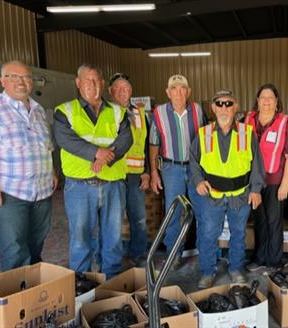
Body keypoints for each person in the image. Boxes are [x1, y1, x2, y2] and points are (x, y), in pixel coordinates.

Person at [54, 63, 132, 278]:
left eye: (96, 80)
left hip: (112, 184)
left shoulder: (117, 111)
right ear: (78, 83)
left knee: (113, 236)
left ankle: (111, 279)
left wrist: (107, 158)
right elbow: (65, 139)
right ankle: (82, 282)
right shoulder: (65, 111)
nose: (92, 84)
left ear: (103, 84)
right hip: (79, 186)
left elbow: (126, 139)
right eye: (87, 80)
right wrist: (96, 152)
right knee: (80, 238)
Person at [190, 89, 265, 289]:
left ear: (236, 107)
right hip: (212, 196)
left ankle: (235, 269)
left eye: (228, 103)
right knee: (207, 234)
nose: (224, 108)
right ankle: (207, 272)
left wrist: (256, 189)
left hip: (240, 196)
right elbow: (194, 161)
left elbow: (257, 164)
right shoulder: (203, 133)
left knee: (238, 234)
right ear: (213, 108)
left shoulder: (247, 133)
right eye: (220, 104)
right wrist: (198, 180)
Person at [0, 60, 58, 271]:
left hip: (41, 192)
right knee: (14, 251)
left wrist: (52, 171)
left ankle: (33, 297)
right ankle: (16, 299)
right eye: (15, 76)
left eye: (27, 77)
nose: (22, 82)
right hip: (10, 193)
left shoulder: (38, 110)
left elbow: (45, 145)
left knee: (36, 248)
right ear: (2, 80)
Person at [149, 74, 205, 268]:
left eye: (183, 88)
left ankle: (204, 254)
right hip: (171, 168)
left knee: (201, 210)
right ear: (168, 92)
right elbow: (153, 143)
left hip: (195, 168)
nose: (179, 93)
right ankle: (174, 255)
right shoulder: (159, 113)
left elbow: (206, 139)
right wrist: (154, 173)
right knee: (173, 213)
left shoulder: (198, 110)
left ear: (188, 91)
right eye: (174, 88)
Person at [244, 83, 288, 272]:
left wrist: (285, 185)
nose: (266, 101)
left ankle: (274, 261)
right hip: (253, 183)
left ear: (276, 102)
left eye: (270, 98)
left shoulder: (284, 125)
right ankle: (259, 258)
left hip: (275, 181)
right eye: (263, 98)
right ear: (257, 102)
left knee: (274, 221)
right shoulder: (247, 121)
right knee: (259, 220)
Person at [108, 72, 150, 267]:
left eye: (126, 88)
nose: (123, 92)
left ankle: (138, 253)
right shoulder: (104, 112)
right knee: (112, 220)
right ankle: (112, 258)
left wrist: (147, 171)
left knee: (138, 217)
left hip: (135, 175)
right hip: (112, 174)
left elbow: (147, 143)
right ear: (110, 91)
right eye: (118, 88)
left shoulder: (140, 113)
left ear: (131, 91)